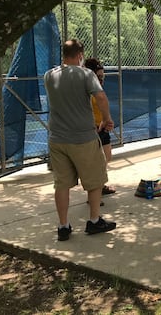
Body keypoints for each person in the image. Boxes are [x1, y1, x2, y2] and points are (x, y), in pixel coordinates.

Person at [44, 39, 116, 241]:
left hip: (57, 138)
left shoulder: (49, 75)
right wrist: (107, 119)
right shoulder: (86, 74)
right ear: (80, 55)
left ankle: (63, 226)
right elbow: (100, 97)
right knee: (95, 180)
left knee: (62, 184)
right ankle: (93, 221)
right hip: (83, 137)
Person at [84, 57, 116, 199]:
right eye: (98, 77)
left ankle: (100, 186)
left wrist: (107, 120)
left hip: (102, 127)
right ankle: (93, 195)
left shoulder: (99, 90)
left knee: (106, 157)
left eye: (103, 77)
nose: (101, 80)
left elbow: (102, 106)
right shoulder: (85, 91)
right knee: (94, 162)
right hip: (91, 129)